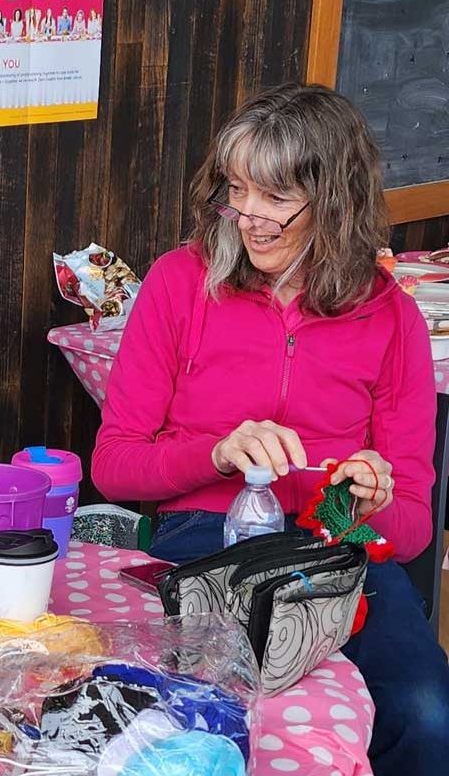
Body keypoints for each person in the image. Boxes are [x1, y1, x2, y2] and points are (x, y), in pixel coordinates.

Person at [92, 83, 448, 775]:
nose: (249, 217)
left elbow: (410, 528)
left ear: (335, 201)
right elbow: (114, 465)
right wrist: (219, 453)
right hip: (203, 541)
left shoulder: (392, 318)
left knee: (428, 713)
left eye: (276, 197)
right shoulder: (179, 283)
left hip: (339, 553)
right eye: (237, 189)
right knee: (230, 715)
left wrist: (368, 502)